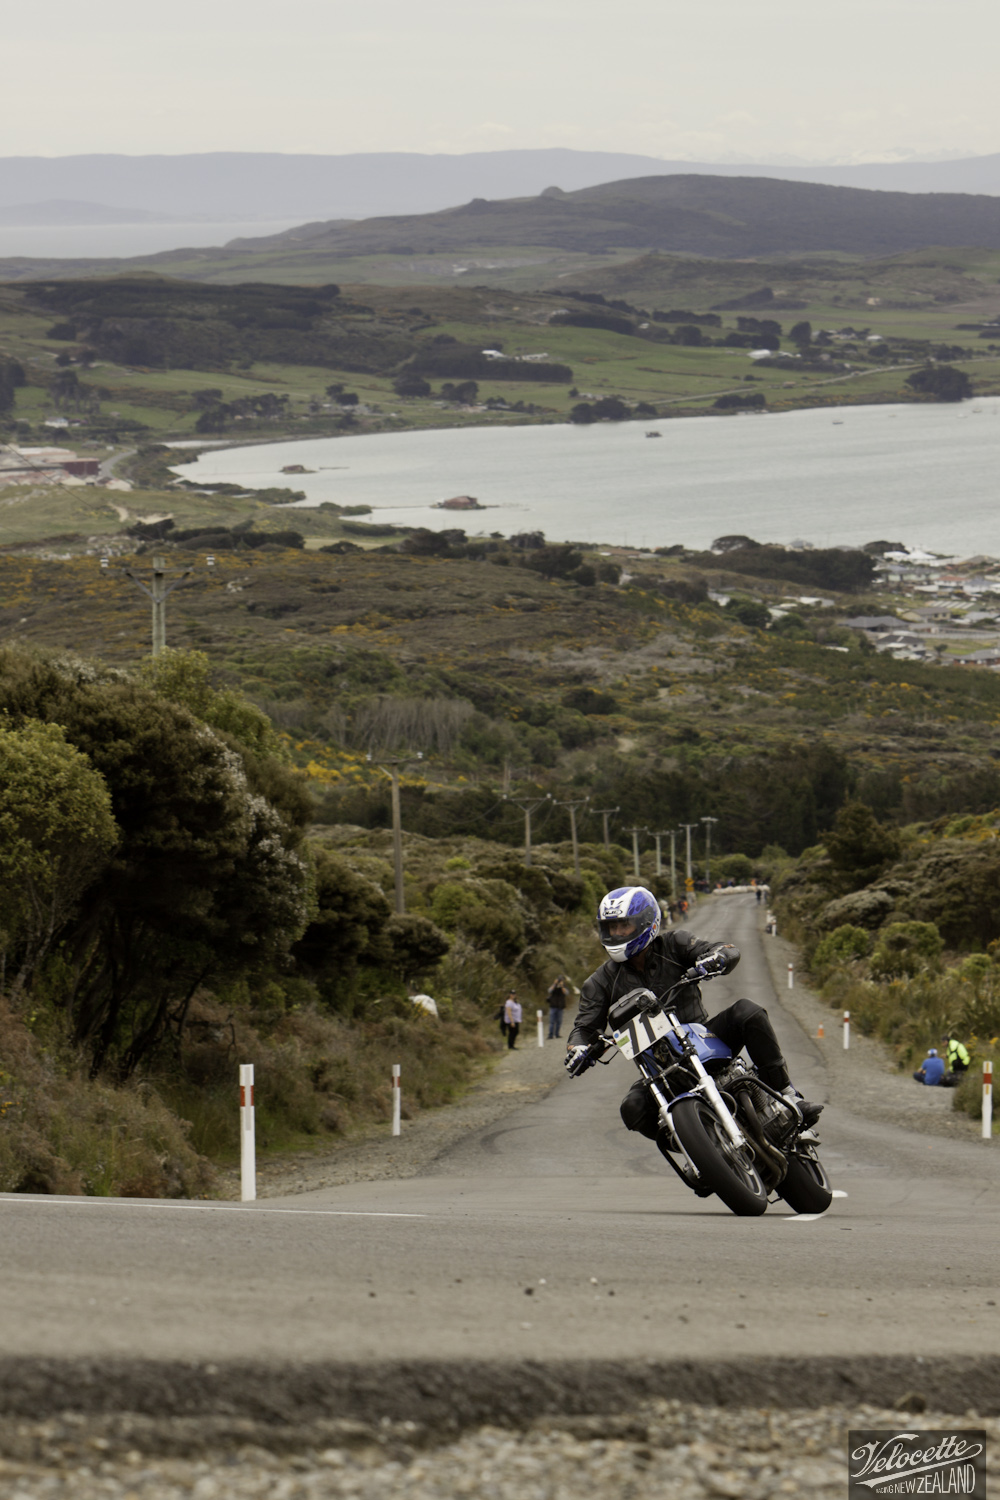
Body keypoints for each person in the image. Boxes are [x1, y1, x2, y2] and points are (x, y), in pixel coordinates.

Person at [565, 885, 822, 1142]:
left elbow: (722, 948)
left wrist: (717, 957)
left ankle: (787, 1095)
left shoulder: (675, 944)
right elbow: (585, 1028)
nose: (617, 933)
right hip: (660, 1070)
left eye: (624, 925)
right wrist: (578, 1048)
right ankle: (699, 1153)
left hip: (705, 1038)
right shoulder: (599, 982)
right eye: (612, 927)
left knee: (748, 1011)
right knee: (633, 1109)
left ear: (645, 922)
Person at [546, 973, 572, 1040]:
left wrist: (562, 986)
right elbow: (549, 990)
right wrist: (554, 984)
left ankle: (557, 1034)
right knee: (552, 1021)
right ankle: (550, 1034)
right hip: (553, 1006)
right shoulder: (554, 986)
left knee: (559, 1022)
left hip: (560, 1007)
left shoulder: (564, 987)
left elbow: (566, 993)